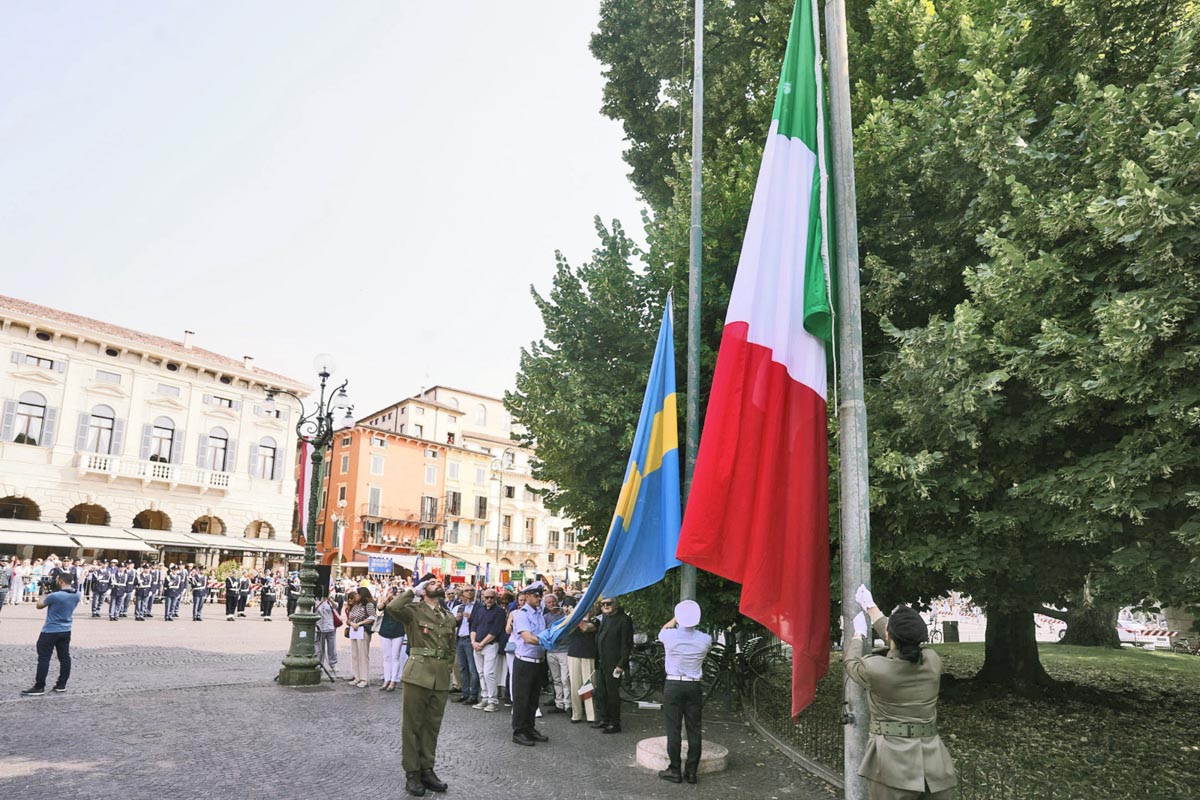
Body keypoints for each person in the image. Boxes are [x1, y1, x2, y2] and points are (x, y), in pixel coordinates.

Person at [846, 584, 957, 800]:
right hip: (934, 767)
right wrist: (872, 609)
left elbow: (851, 663)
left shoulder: (875, 669)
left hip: (893, 768)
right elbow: (902, 638)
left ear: (889, 635)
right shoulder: (932, 661)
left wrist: (858, 636)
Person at [385, 574, 455, 797]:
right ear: (424, 590)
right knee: (412, 725)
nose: (439, 585)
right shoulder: (414, 611)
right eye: (432, 583)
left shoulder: (449, 617)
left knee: (432, 726)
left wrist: (447, 670)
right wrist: (411, 592)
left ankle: (427, 769)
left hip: (440, 677)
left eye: (439, 583)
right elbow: (392, 608)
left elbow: (451, 648)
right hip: (418, 674)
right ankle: (412, 773)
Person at [657, 600, 712, 784]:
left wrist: (675, 617)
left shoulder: (669, 636)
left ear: (680, 618)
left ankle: (674, 770)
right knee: (694, 729)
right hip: (694, 685)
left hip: (673, 685)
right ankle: (691, 772)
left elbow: (664, 628)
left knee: (673, 729)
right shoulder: (705, 639)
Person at [21, 571, 80, 696]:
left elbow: (39, 605)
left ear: (61, 582)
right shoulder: (77, 594)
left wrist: (44, 594)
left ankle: (39, 686)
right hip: (66, 629)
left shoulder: (56, 596)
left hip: (50, 630)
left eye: (58, 580)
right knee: (64, 657)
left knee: (44, 658)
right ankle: (61, 684)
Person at [510, 581, 549, 747]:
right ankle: (518, 731)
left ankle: (530, 728)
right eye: (535, 595)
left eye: (540, 595)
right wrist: (548, 643)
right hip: (525, 662)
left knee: (533, 699)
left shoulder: (539, 614)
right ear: (526, 597)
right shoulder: (521, 614)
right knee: (522, 699)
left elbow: (542, 634)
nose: (539, 598)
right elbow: (528, 638)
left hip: (538, 661)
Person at [594, 595, 634, 733]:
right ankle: (604, 719)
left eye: (608, 603)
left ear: (616, 604)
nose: (605, 606)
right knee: (601, 693)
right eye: (602, 604)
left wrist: (621, 664)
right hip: (602, 661)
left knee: (613, 695)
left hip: (614, 663)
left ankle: (615, 723)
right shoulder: (605, 617)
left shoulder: (624, 620)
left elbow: (627, 644)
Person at [469, 587, 506, 711]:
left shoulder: (500, 611)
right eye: (487, 597)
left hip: (490, 645)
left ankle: (492, 700)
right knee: (480, 673)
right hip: (477, 645)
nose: (489, 600)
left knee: (488, 673)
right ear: (483, 598)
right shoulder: (479, 610)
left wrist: (482, 643)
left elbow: (495, 631)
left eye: (492, 597)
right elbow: (473, 627)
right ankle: (484, 698)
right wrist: (474, 642)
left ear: (496, 598)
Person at [567, 601, 600, 724]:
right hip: (573, 653)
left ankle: (591, 715)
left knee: (588, 685)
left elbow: (585, 628)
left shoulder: (596, 620)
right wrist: (571, 616)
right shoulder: (573, 620)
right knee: (574, 685)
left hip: (588, 654)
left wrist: (577, 617)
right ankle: (576, 714)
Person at [542, 593, 571, 713]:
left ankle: (568, 704)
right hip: (551, 651)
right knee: (556, 679)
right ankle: (559, 703)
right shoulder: (545, 617)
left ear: (557, 602)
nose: (552, 604)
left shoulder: (565, 614)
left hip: (564, 650)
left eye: (553, 602)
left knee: (565, 679)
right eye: (549, 602)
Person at [451, 587, 480, 706]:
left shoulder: (478, 607)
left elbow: (480, 622)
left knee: (472, 669)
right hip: (460, 638)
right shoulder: (461, 607)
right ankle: (465, 693)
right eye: (466, 591)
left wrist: (471, 618)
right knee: (462, 668)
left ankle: (473, 695)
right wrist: (456, 620)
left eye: (471, 590)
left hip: (470, 639)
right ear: (463, 594)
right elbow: (457, 623)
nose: (469, 592)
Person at [377, 584, 407, 691]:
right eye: (394, 591)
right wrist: (387, 598)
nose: (395, 593)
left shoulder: (403, 604)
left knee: (395, 656)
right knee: (387, 657)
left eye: (398, 592)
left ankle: (393, 680)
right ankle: (386, 679)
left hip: (398, 630)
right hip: (385, 630)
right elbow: (379, 608)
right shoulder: (387, 601)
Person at [347, 586, 377, 688]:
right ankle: (356, 676)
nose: (356, 595)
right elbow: (350, 617)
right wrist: (351, 623)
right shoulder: (355, 605)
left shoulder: (368, 605)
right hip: (354, 630)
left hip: (362, 630)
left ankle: (364, 678)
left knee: (363, 655)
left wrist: (360, 623)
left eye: (358, 594)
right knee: (355, 654)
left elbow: (372, 617)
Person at [314, 588, 340, 677]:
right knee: (320, 649)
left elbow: (336, 606)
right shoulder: (315, 601)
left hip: (330, 627)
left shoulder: (329, 601)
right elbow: (313, 610)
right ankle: (319, 665)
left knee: (332, 647)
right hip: (319, 627)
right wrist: (320, 602)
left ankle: (333, 664)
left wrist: (329, 599)